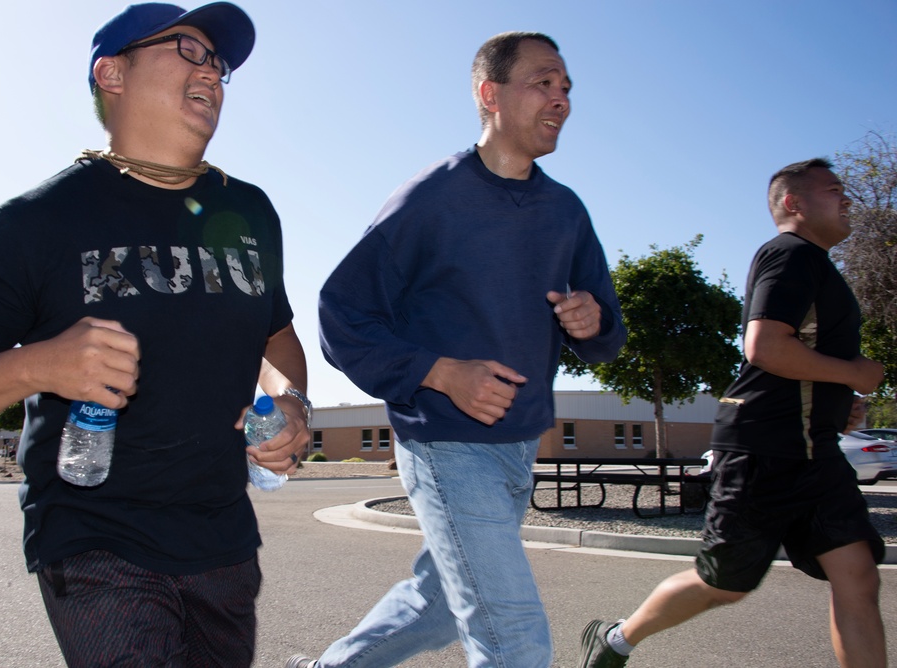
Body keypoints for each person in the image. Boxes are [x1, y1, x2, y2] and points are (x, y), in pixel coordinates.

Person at [0, 3, 311, 665]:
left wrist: (291, 403)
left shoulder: (249, 211)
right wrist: (40, 364)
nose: (211, 70)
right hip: (95, 539)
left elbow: (278, 342)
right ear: (111, 73)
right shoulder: (35, 221)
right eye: (187, 48)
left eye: (219, 62)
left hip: (222, 540)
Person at [289, 32, 627, 668]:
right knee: (514, 638)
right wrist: (441, 372)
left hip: (519, 448)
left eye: (567, 88)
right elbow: (342, 313)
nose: (561, 99)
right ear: (488, 94)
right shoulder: (432, 199)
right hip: (445, 443)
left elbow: (609, 334)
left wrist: (592, 320)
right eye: (544, 82)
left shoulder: (565, 211)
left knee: (438, 603)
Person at [577, 158, 887, 668]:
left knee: (857, 573)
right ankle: (616, 639)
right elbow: (763, 346)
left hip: (814, 452)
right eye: (834, 190)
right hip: (762, 451)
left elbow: (803, 360)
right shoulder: (790, 255)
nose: (847, 199)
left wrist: (836, 401)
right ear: (794, 203)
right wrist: (854, 373)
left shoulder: (818, 267)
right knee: (724, 584)